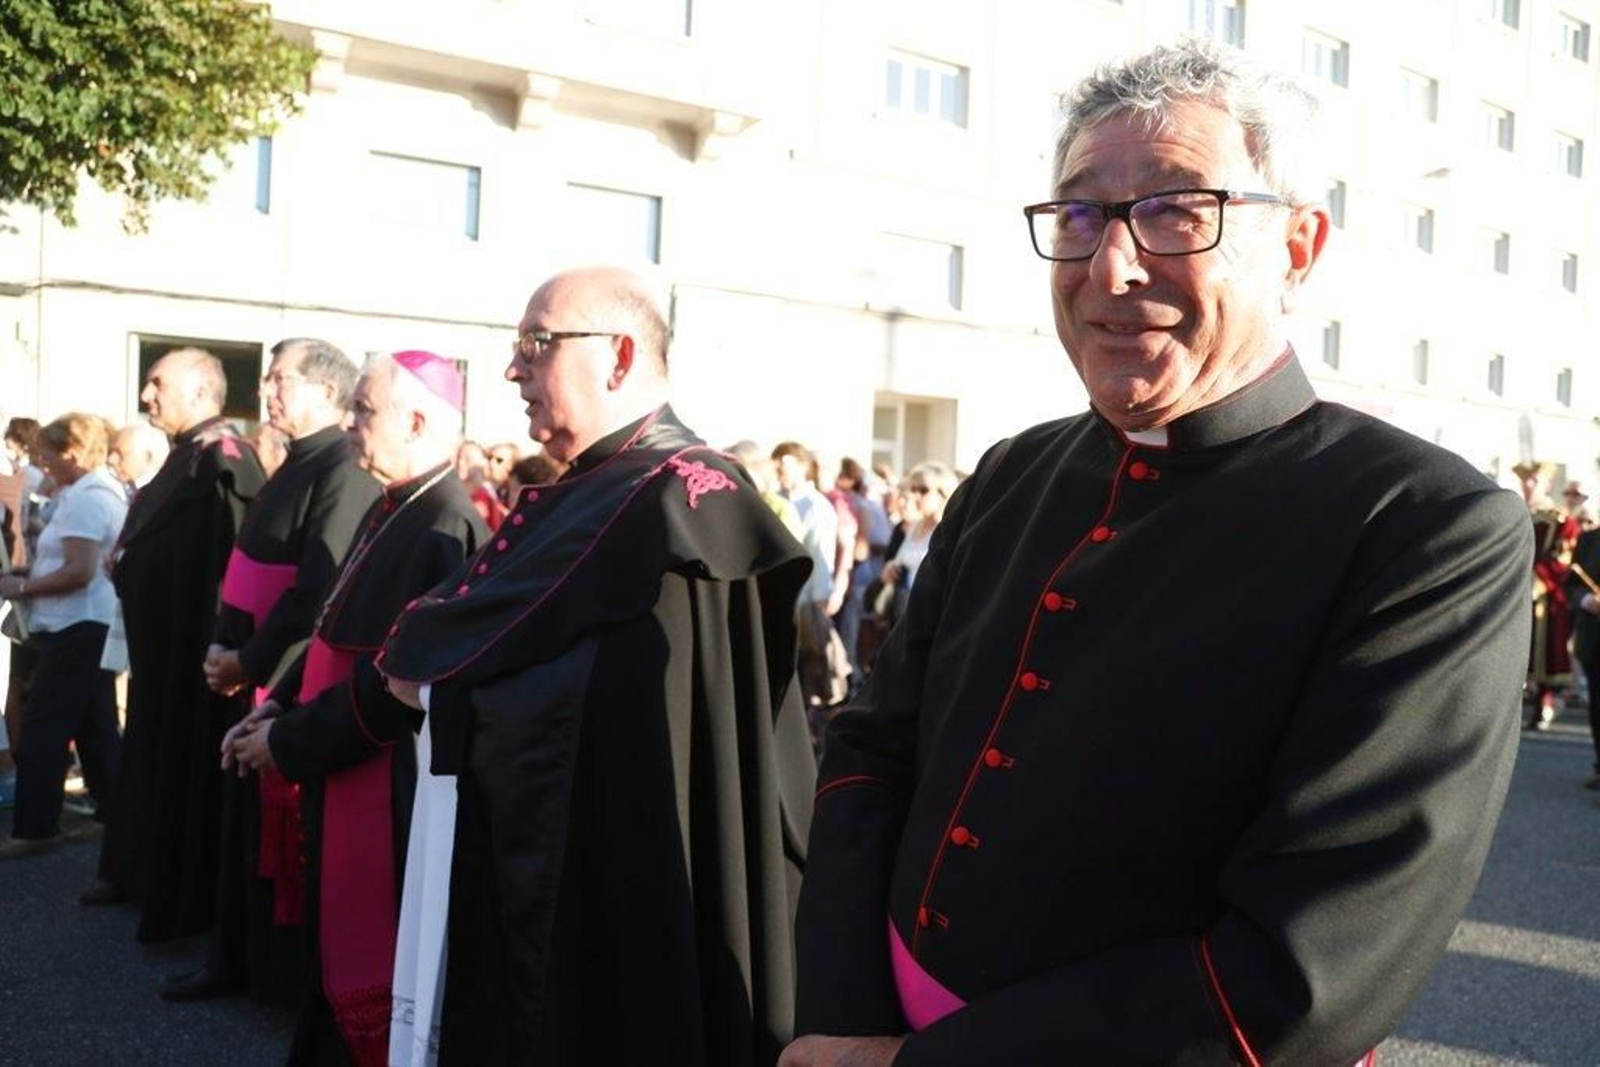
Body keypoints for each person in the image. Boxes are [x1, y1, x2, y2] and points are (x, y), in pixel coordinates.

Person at [787, 40, 1533, 1067]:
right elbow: (872, 753)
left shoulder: (1425, 527)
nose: (1111, 265)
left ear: (1299, 246)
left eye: (1180, 208)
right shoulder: (1012, 472)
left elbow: (1305, 968)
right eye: (1081, 212)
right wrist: (837, 1010)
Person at [376, 266, 815, 1064]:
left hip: (629, 870)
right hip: (562, 856)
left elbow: (632, 711)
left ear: (617, 357)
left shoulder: (690, 498)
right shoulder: (591, 485)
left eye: (535, 345)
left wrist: (452, 693)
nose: (514, 371)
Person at [224, 351, 485, 1064]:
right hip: (335, 758)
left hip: (385, 785)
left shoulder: (446, 527)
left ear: (419, 419)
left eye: (364, 409)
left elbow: (394, 684)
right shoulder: (391, 503)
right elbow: (332, 626)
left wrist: (288, 741)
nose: (349, 420)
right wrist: (275, 707)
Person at [162, 338, 379, 1004]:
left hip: (280, 674)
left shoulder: (342, 469)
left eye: (281, 379)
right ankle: (234, 956)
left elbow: (317, 591)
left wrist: (250, 662)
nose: (267, 390)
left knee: (270, 839)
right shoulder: (294, 458)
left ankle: (262, 970)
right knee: (239, 829)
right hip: (246, 662)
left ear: (324, 389)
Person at [81, 349, 265, 934]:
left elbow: (236, 564)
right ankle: (138, 874)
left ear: (200, 390)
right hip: (162, 658)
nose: (146, 396)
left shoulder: (227, 459)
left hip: (193, 660)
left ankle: (174, 895)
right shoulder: (187, 456)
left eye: (157, 383)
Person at [0, 414, 128, 857]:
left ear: (71, 454)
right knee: (94, 726)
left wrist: (24, 586)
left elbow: (78, 570)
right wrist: (28, 573)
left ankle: (35, 828)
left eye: (48, 454)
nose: (41, 462)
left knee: (43, 724)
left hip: (75, 624)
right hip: (83, 621)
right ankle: (115, 812)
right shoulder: (89, 492)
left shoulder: (87, 499)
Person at [773, 441, 850, 715]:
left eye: (786, 463)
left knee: (810, 665)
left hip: (805, 596)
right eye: (778, 463)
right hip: (785, 596)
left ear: (802, 466)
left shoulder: (815, 506)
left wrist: (821, 595)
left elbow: (819, 554)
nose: (780, 469)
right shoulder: (776, 498)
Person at [1516, 460, 1578, 730]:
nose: (1528, 485)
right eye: (1525, 480)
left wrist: (1534, 576)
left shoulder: (1560, 520)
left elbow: (1562, 561)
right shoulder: (1515, 513)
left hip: (1545, 595)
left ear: (1547, 485)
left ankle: (1546, 700)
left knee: (1545, 648)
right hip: (1516, 591)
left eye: (1534, 481)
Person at [107, 422, 171, 498]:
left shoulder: (160, 497)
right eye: (111, 451)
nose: (111, 459)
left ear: (147, 457)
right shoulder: (123, 488)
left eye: (120, 454)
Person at [455, 439, 506, 531]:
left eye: (467, 459)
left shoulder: (486, 500)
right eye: (458, 458)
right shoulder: (450, 493)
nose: (460, 463)